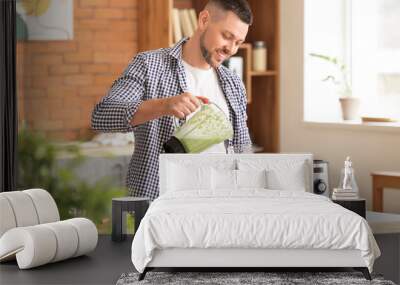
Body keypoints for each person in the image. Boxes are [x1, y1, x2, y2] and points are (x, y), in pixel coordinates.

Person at [91, 0, 253, 200]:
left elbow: (243, 150)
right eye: (227, 36)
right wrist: (164, 105)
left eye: (238, 42)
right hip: (159, 203)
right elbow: (101, 116)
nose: (232, 49)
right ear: (204, 20)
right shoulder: (148, 65)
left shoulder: (233, 83)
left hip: (218, 205)